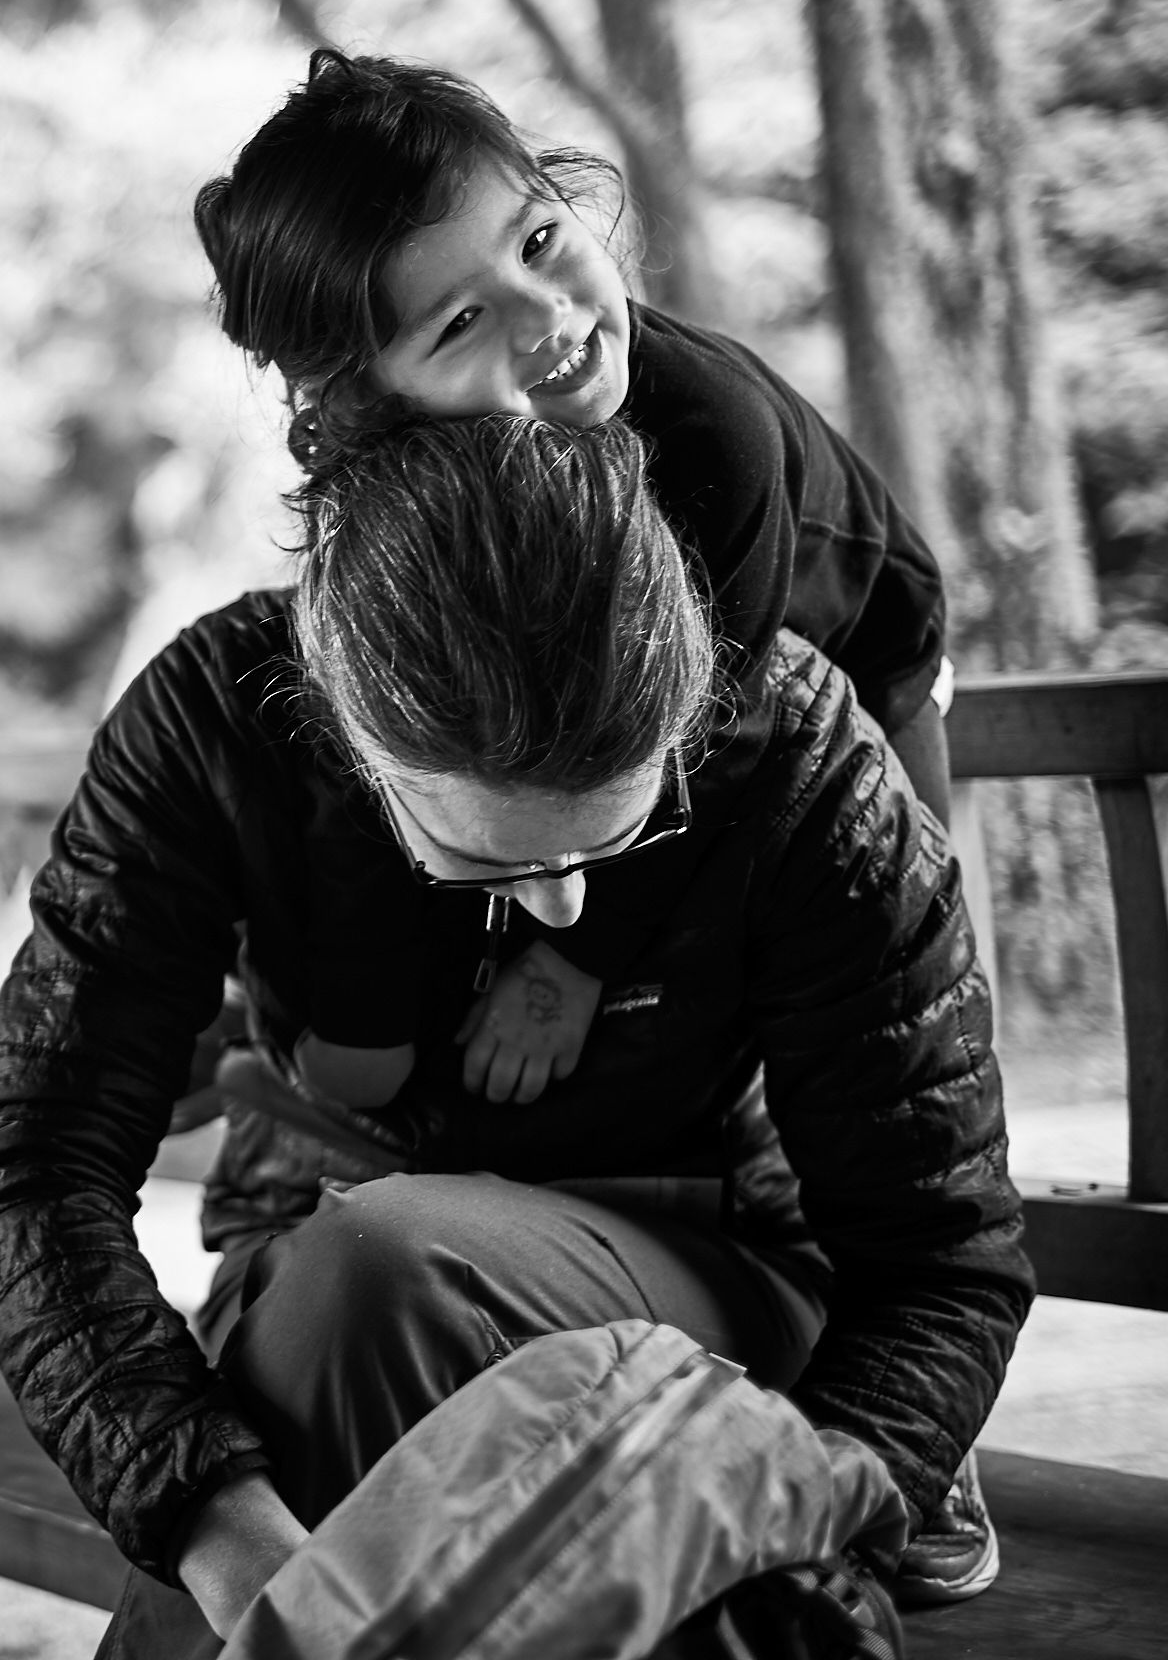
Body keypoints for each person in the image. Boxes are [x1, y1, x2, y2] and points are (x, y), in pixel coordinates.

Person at [0, 415, 1033, 1656]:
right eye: (493, 858)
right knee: (344, 1299)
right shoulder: (214, 720)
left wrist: (801, 1533)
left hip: (705, 1279)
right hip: (320, 1280)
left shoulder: (800, 750)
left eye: (616, 840)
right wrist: (235, 1548)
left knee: (372, 1274)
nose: (563, 906)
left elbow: (939, 1256)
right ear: (351, 736)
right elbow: (35, 1163)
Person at [195, 51, 998, 1606]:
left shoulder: (710, 440)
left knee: (901, 996)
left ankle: (910, 1407)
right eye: (460, 321)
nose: (551, 320)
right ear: (368, 398)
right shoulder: (404, 496)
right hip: (623, 715)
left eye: (540, 243)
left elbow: (694, 767)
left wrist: (569, 971)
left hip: (844, 666)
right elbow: (396, 767)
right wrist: (347, 1019)